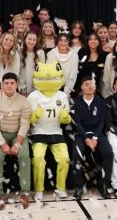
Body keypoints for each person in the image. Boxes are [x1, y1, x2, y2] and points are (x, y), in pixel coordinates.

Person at [28, 62, 72, 201]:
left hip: (56, 133)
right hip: (38, 133)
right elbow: (28, 120)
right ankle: (39, 190)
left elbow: (67, 119)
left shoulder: (62, 96)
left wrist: (66, 118)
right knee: (39, 159)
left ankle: (60, 188)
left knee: (64, 159)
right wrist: (35, 115)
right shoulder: (33, 96)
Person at [0, 72, 31, 209]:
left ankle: (24, 194)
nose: (9, 86)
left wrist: (17, 144)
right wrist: (2, 144)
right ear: (2, 84)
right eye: (6, 83)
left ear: (16, 85)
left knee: (24, 156)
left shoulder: (24, 101)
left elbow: (25, 124)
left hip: (18, 134)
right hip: (0, 134)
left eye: (12, 83)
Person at [71, 77, 113, 200]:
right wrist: (86, 138)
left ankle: (104, 184)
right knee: (76, 154)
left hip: (97, 134)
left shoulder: (101, 102)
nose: (89, 87)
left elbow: (101, 122)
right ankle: (78, 186)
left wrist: (94, 137)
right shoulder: (75, 102)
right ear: (81, 87)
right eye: (86, 84)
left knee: (108, 153)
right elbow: (76, 123)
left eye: (92, 85)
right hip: (81, 134)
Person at [19, 31, 46, 96]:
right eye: (29, 39)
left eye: (34, 40)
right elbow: (20, 72)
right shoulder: (20, 52)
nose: (31, 42)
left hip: (37, 88)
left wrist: (38, 88)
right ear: (25, 39)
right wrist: (23, 88)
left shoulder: (40, 53)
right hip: (24, 88)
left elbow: (42, 72)